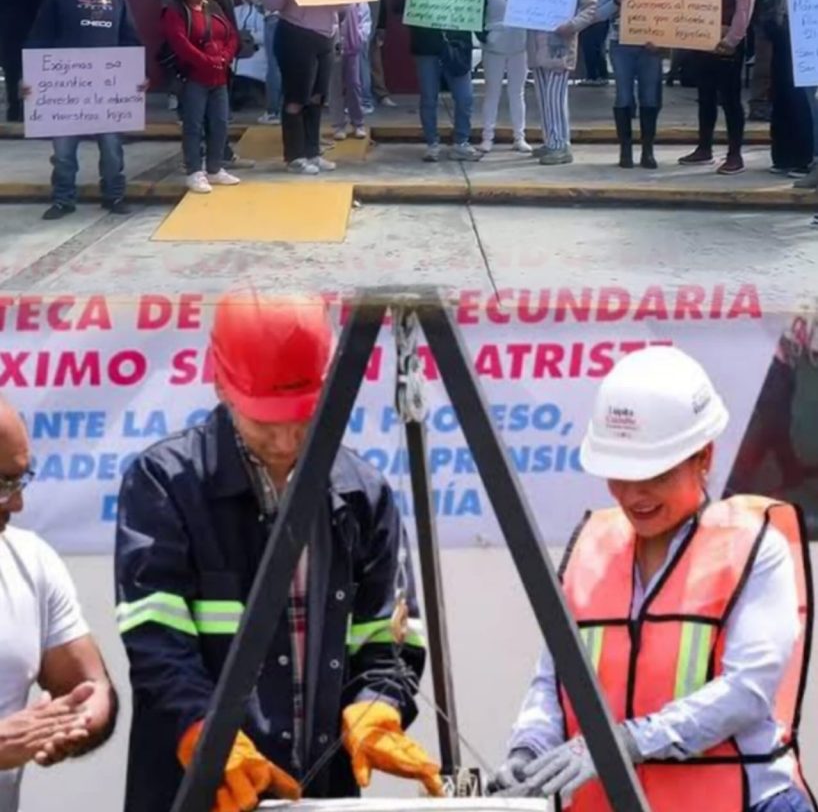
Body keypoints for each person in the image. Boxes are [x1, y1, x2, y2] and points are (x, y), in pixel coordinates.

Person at [115, 290, 442, 812]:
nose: (287, 440)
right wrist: (204, 733)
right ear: (219, 380)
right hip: (199, 793)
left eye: (304, 417)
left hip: (321, 793)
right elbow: (156, 646)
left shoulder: (365, 494)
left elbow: (389, 642)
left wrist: (376, 709)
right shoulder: (166, 484)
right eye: (265, 421)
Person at [489, 345, 814, 812]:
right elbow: (552, 682)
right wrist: (530, 749)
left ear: (703, 457)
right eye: (618, 475)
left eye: (654, 475)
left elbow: (747, 691)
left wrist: (627, 741)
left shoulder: (755, 547)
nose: (633, 494)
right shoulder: (590, 549)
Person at [0, 394, 118, 812]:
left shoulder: (30, 561)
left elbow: (87, 684)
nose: (17, 503)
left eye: (20, 479)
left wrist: (86, 713)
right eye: (1, 484)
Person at [25, 0, 145, 221]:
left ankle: (114, 195)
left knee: (112, 150)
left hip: (108, 93)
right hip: (65, 93)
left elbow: (129, 39)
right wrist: (29, 78)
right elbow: (39, 40)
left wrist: (138, 76)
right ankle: (63, 199)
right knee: (64, 153)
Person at [262, 0, 340, 174]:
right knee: (296, 98)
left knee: (317, 97)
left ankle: (312, 152)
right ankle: (294, 157)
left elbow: (345, 7)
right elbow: (271, 2)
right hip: (296, 35)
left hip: (325, 38)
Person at [678, 0, 757, 176]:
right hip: (704, 46)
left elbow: (743, 11)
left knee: (731, 100)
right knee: (706, 97)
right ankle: (704, 148)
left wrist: (732, 40)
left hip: (728, 46)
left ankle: (735, 155)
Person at [397, 0, 482, 163]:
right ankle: (432, 143)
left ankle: (461, 142)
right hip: (427, 47)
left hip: (457, 46)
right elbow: (397, 10)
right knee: (429, 97)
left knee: (465, 97)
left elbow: (476, 10)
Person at [161, 0, 240, 194]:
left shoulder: (213, 6)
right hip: (193, 78)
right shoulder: (175, 11)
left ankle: (215, 169)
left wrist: (224, 57)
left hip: (219, 78)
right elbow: (180, 44)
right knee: (194, 125)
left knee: (220, 123)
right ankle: (194, 171)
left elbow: (232, 35)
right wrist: (207, 61)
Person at [521, 0, 597, 166]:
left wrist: (572, 25)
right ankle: (554, 140)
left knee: (554, 96)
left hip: (559, 45)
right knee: (545, 97)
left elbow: (591, 6)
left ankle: (559, 145)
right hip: (537, 43)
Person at [184, 0, 255, 172]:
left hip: (223, 54)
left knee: (219, 114)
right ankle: (199, 162)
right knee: (200, 116)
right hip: (204, 58)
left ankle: (220, 155)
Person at [597, 0, 664, 170]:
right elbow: (598, 13)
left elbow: (672, 17)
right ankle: (625, 150)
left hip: (651, 47)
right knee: (623, 96)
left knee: (649, 98)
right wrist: (616, 2)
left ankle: (648, 151)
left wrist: (663, 42)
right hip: (621, 45)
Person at [767, 0, 818, 180]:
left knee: (809, 107)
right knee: (793, 104)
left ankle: (809, 158)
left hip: (809, 53)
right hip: (792, 51)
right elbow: (776, 15)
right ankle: (791, 156)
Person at [478, 0, 530, 154]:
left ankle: (519, 136)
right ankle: (487, 137)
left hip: (519, 44)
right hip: (494, 45)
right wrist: (484, 37)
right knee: (492, 92)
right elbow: (477, 13)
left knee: (517, 92)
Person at [0, 0, 47, 122]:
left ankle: (14, 108)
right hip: (32, 28)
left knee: (12, 72)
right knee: (32, 71)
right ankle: (32, 110)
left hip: (8, 29)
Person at [329, 2, 371, 141]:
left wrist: (359, 37)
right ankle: (338, 125)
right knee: (335, 86)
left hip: (352, 48)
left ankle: (358, 123)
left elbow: (365, 21)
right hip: (333, 47)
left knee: (354, 84)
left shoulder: (358, 0)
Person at [354, 0, 385, 113]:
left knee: (361, 62)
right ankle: (373, 95)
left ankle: (365, 100)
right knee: (368, 60)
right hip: (371, 22)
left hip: (362, 23)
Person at [578, 0, 609, 84]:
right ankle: (591, 75)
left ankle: (602, 75)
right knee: (587, 48)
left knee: (598, 48)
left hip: (600, 21)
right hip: (586, 20)